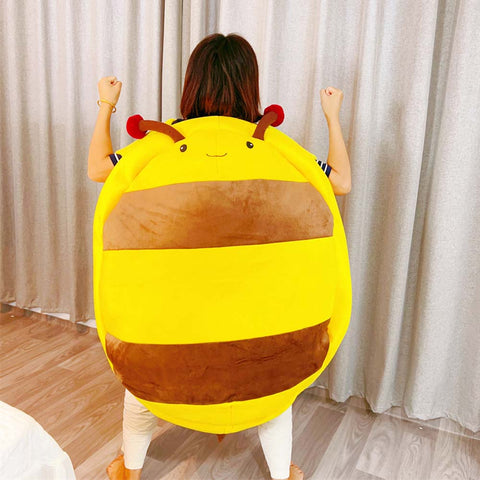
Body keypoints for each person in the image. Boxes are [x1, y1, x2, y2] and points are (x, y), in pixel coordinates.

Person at [88, 33, 351, 480]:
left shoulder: (161, 144)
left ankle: (130, 469)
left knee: (143, 385)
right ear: (251, 86)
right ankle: (282, 473)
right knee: (273, 392)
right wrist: (332, 116)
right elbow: (339, 181)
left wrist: (106, 105)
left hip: (173, 344)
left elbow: (99, 169)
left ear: (192, 84)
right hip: (258, 348)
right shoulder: (272, 147)